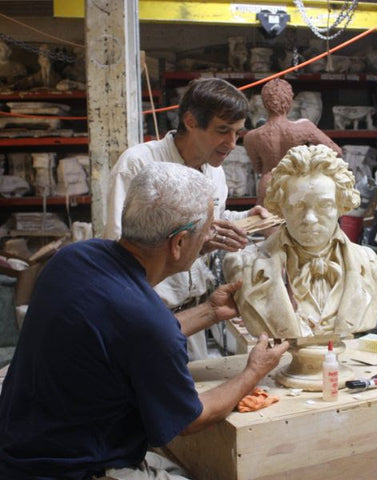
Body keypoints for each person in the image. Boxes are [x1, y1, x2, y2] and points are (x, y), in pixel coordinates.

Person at [0, 162, 289, 480]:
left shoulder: (72, 258)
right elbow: (191, 418)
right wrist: (254, 371)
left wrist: (209, 310)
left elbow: (124, 328)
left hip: (19, 446)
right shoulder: (147, 324)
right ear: (177, 243)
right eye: (207, 228)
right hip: (68, 470)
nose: (211, 235)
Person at [104, 77, 269, 360]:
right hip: (149, 312)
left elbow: (212, 219)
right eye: (222, 131)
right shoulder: (139, 164)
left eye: (237, 133)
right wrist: (197, 242)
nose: (231, 144)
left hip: (195, 311)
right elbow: (118, 247)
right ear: (191, 121)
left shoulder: (214, 171)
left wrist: (245, 219)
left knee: (193, 392)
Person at [223, 144, 377, 340]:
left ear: (342, 204)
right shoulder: (243, 266)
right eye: (297, 206)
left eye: (324, 205)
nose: (310, 219)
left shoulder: (369, 263)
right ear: (280, 208)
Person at [243, 78, 343, 205]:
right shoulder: (305, 127)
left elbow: (258, 168)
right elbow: (337, 152)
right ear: (289, 101)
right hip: (297, 184)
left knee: (268, 222)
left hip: (269, 185)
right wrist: (311, 162)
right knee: (298, 222)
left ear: (264, 103)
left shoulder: (251, 136)